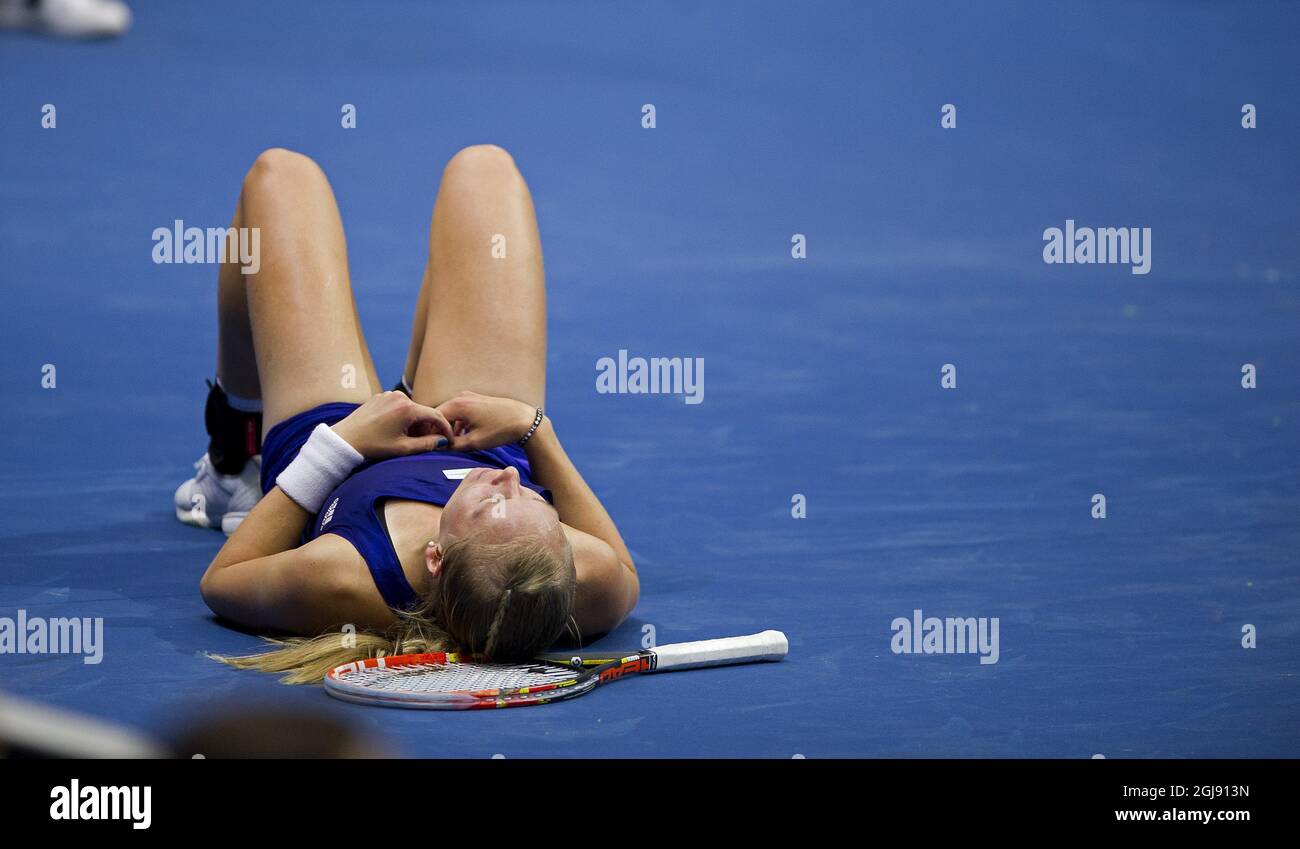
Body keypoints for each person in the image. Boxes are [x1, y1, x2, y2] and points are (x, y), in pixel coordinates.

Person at [176, 146, 639, 681]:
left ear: (435, 558)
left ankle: (233, 457)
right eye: (544, 510)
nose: (513, 480)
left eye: (493, 504)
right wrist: (532, 429)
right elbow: (622, 566)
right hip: (477, 432)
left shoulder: (342, 578)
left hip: (333, 449)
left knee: (280, 177)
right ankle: (418, 388)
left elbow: (222, 580)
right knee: (484, 169)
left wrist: (344, 442)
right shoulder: (586, 583)